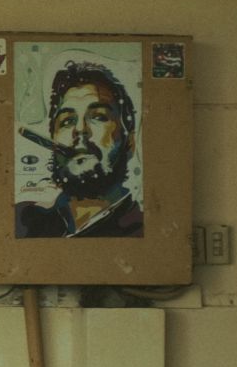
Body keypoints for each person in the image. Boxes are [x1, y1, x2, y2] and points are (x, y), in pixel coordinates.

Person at [14, 60, 144, 239]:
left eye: (98, 116)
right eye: (67, 121)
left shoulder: (139, 230)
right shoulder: (24, 221)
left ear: (130, 142)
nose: (80, 130)